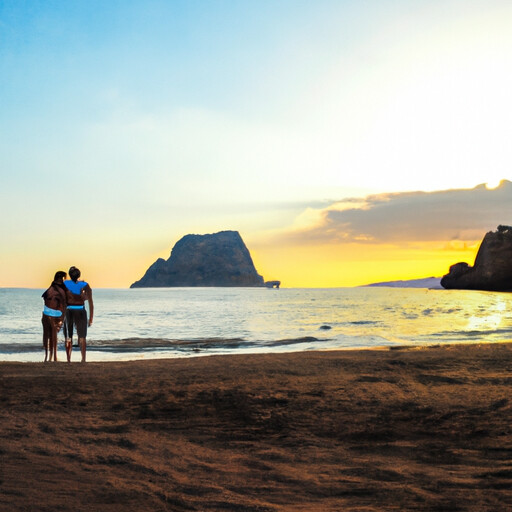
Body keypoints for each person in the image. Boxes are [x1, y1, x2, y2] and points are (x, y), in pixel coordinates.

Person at [63, 266, 93, 363]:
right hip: (80, 311)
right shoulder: (84, 285)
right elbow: (90, 303)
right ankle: (83, 359)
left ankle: (68, 359)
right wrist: (91, 317)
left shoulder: (65, 284)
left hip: (68, 311)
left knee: (68, 336)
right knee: (82, 336)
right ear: (79, 275)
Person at [41, 271, 68, 362]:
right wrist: (62, 317)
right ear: (61, 278)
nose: (66, 280)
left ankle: (47, 355)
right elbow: (64, 304)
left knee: (46, 335)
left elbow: (46, 300)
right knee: (53, 335)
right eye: (65, 278)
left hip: (45, 313)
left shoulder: (50, 288)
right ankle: (54, 356)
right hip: (55, 313)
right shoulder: (61, 290)